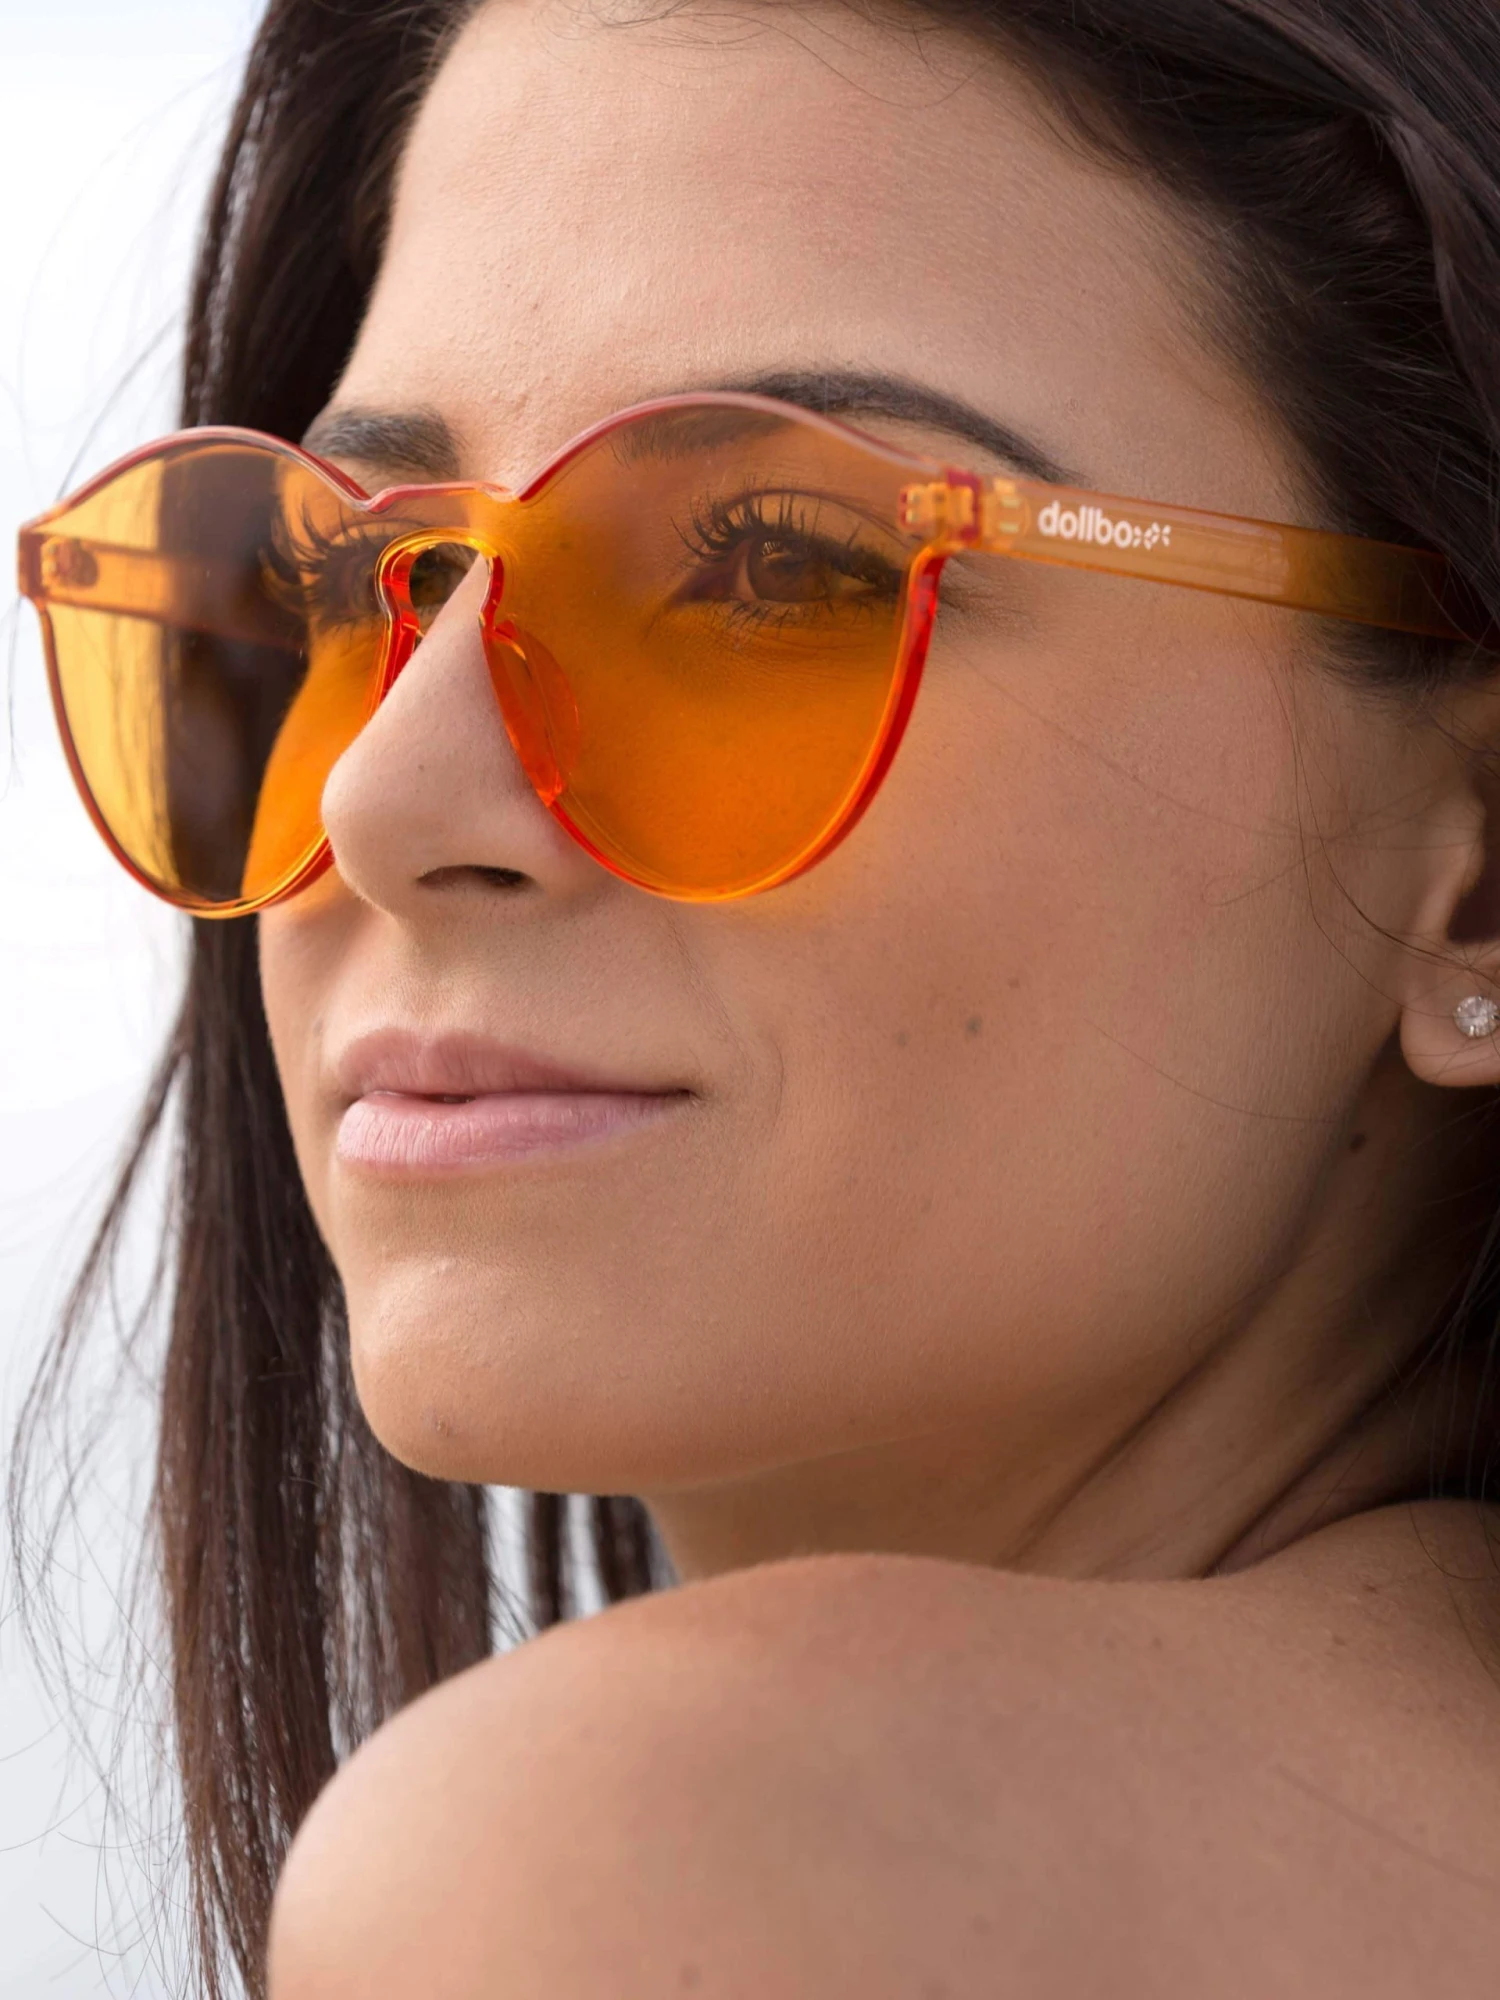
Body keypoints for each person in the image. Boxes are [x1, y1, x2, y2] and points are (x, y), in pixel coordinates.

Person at [13, 0, 1500, 1993]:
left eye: (773, 571)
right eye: (364, 580)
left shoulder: (643, 1866)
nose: (383, 798)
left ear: (1477, 873)